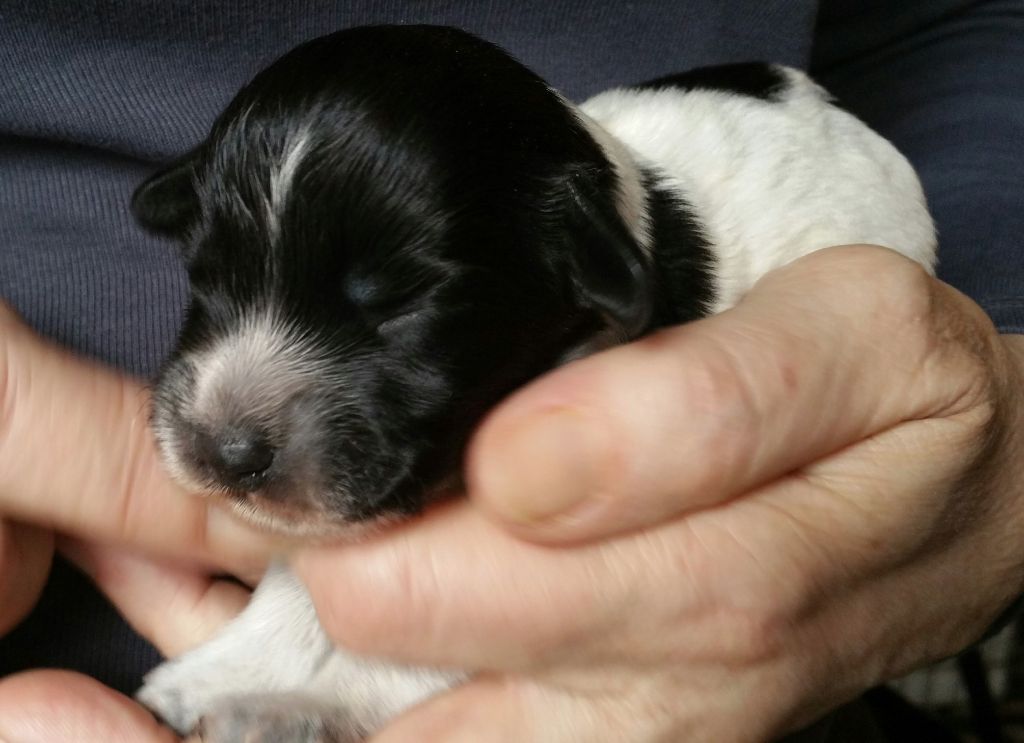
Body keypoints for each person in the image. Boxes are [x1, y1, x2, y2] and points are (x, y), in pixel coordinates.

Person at [1, 0, 1022, 740]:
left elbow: (954, 24)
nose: (231, 413)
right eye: (217, 280)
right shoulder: (525, 249)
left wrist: (992, 377)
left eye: (394, 301)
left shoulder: (594, 298)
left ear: (593, 279)